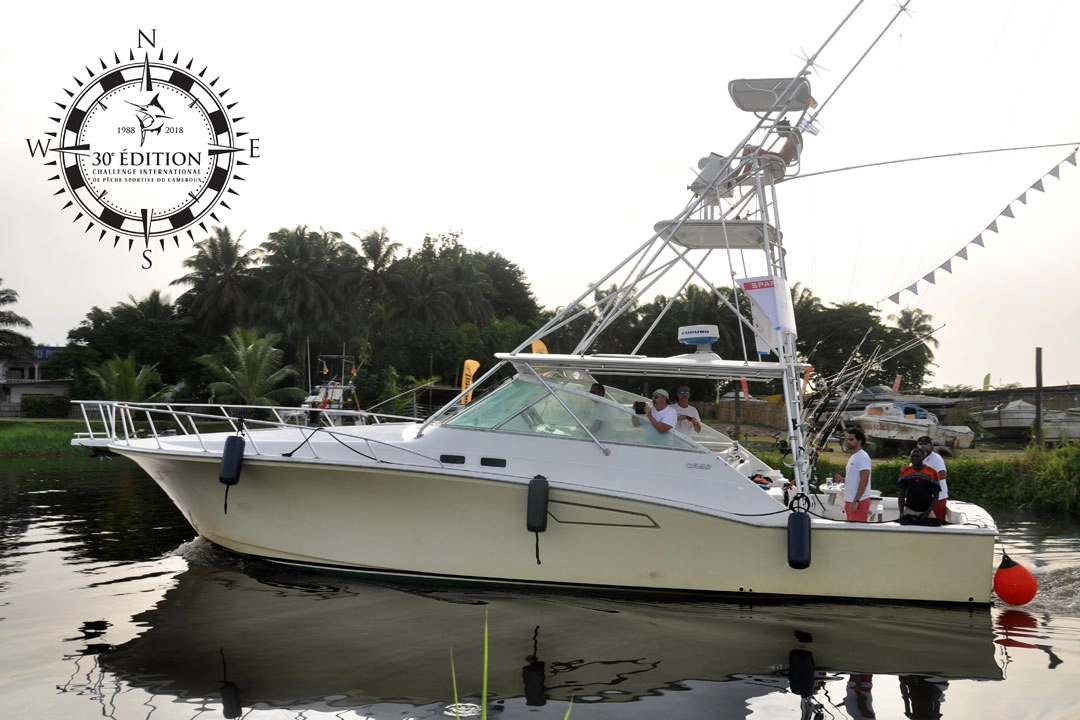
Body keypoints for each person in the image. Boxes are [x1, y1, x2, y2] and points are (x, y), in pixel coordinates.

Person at [833, 427, 873, 521]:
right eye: (848, 439)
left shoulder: (863, 457)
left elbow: (864, 480)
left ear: (859, 441)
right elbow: (855, 479)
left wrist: (856, 501)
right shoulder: (853, 456)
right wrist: (843, 479)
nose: (848, 441)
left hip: (859, 501)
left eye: (851, 439)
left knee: (858, 532)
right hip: (849, 500)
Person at [897, 447, 941, 522]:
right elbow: (901, 495)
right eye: (912, 456)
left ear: (923, 457)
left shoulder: (933, 473)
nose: (915, 458)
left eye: (918, 456)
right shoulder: (905, 473)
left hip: (927, 512)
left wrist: (926, 513)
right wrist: (901, 513)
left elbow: (936, 496)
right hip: (909, 511)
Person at [917, 436, 949, 520]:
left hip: (938, 497)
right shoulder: (916, 458)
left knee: (937, 523)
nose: (923, 448)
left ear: (931, 446)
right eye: (921, 445)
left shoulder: (936, 458)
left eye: (926, 445)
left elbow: (942, 474)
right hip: (923, 498)